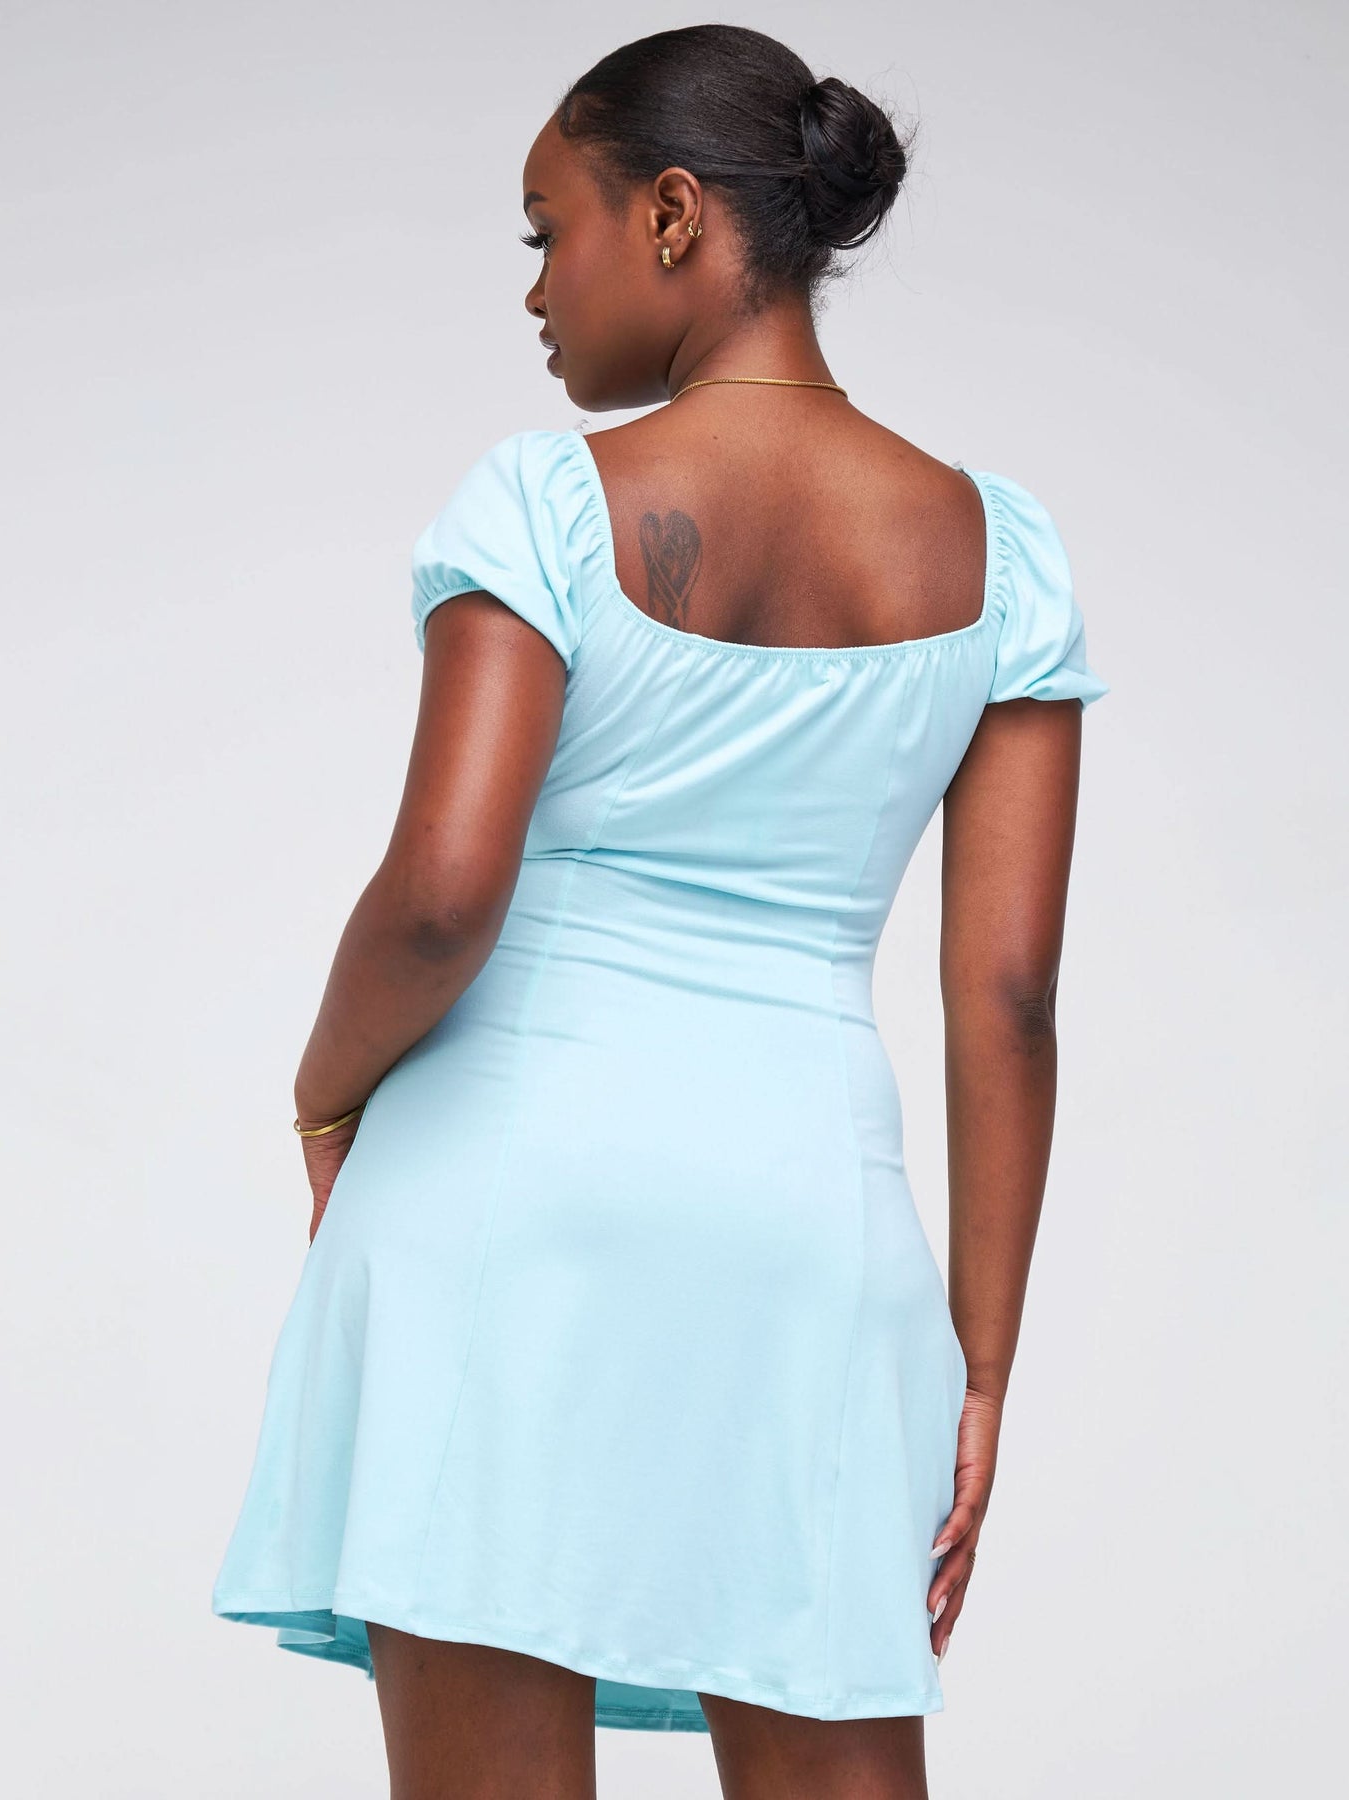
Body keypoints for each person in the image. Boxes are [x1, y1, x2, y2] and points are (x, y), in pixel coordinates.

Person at [211, 22, 1108, 1800]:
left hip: (505, 1200)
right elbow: (1004, 997)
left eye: (547, 230)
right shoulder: (1002, 558)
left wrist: (322, 1097)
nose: (535, 289)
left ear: (675, 215)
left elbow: (440, 897)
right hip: (809, 1231)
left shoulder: (548, 504)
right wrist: (979, 1367)